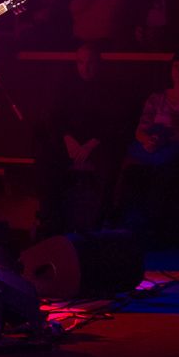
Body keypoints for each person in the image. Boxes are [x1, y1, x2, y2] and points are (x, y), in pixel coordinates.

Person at [113, 51, 179, 243]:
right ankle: (129, 227)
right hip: (152, 150)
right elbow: (141, 128)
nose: (178, 71)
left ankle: (155, 231)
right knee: (133, 173)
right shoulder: (156, 98)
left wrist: (166, 139)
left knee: (164, 176)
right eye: (175, 67)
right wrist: (147, 141)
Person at [32, 43, 125, 238]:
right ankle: (51, 220)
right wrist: (67, 139)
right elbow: (56, 116)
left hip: (99, 144)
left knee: (111, 164)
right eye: (81, 62)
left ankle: (100, 221)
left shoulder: (110, 88)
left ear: (98, 63)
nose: (85, 67)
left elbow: (114, 121)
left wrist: (91, 144)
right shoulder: (67, 86)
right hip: (71, 143)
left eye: (90, 62)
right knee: (46, 159)